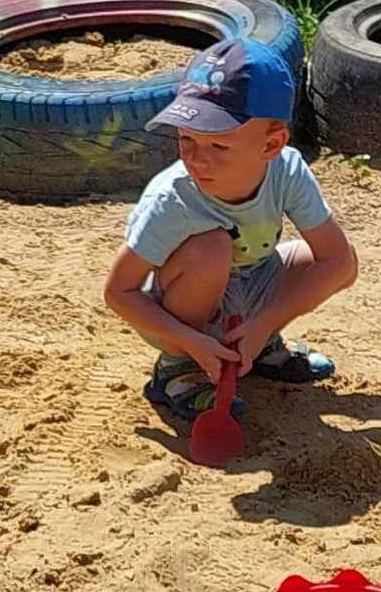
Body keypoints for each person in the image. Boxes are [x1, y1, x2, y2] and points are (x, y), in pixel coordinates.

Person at [103, 37, 359, 427]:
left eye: (219, 145)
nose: (195, 158)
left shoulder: (286, 171)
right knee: (211, 248)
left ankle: (258, 347)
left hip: (253, 291)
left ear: (271, 144)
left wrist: (263, 324)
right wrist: (188, 341)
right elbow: (119, 292)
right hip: (182, 317)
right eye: (186, 138)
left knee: (335, 263)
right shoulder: (172, 198)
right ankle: (178, 371)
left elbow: (338, 261)